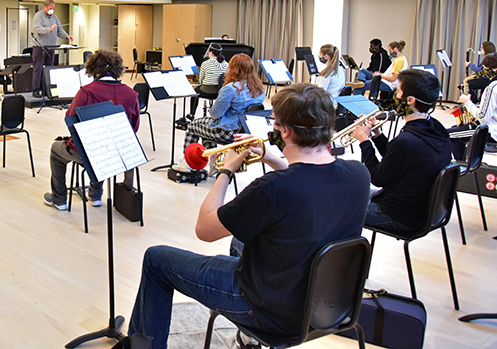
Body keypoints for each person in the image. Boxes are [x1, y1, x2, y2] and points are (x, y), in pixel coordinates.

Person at [126, 84, 370, 349]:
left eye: (274, 123)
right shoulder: (359, 174)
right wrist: (270, 158)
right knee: (241, 241)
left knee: (156, 259)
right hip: (325, 305)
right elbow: (309, 178)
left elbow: (205, 230)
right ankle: (247, 339)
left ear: (285, 131)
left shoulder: (273, 188)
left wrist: (225, 171)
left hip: (270, 311)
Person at [352, 68, 453, 233]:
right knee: (347, 189)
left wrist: (364, 141)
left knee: (335, 200)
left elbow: (377, 178)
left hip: (398, 215)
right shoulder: (436, 128)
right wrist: (378, 136)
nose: (394, 96)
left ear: (410, 100)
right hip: (421, 210)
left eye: (397, 92)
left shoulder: (407, 140)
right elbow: (398, 160)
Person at [43, 49, 140, 210]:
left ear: (94, 68)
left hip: (90, 152)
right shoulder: (131, 94)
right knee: (105, 146)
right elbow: (134, 127)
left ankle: (59, 199)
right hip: (117, 153)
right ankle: (95, 195)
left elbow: (70, 119)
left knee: (56, 150)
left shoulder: (86, 92)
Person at [173, 53, 264, 174]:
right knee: (205, 129)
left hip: (227, 132)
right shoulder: (259, 88)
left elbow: (215, 114)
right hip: (244, 134)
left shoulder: (230, 88)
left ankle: (187, 163)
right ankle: (214, 163)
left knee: (193, 125)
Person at [450, 53, 497, 159]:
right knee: (457, 129)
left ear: (494, 69)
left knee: (449, 135)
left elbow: (483, 118)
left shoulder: (493, 87)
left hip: (491, 132)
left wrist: (467, 102)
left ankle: (464, 169)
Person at [32, 0, 73, 97]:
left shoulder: (54, 17)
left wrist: (67, 36)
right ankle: (36, 90)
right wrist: (49, 29)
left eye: (53, 9)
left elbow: (59, 30)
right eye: (50, 8)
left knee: (49, 68)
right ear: (45, 7)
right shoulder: (38, 16)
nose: (52, 10)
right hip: (40, 47)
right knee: (38, 69)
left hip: (52, 47)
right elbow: (37, 29)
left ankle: (47, 89)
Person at [187, 42, 228, 118]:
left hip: (206, 91)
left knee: (194, 94)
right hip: (220, 92)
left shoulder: (205, 63)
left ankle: (192, 114)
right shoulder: (226, 64)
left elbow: (201, 80)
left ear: (211, 52)